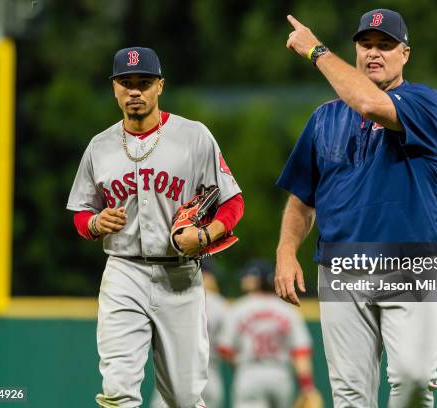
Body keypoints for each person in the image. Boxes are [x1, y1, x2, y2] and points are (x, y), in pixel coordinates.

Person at [275, 9, 437, 408]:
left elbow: (369, 103)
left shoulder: (424, 102)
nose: (374, 53)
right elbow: (302, 196)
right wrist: (286, 251)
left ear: (405, 54)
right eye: (366, 44)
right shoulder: (325, 118)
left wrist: (316, 50)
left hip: (410, 263)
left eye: (385, 45)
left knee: (415, 379)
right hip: (340, 269)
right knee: (351, 397)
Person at [66, 46, 244, 407]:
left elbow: (232, 202)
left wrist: (207, 234)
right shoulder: (99, 147)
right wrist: (97, 223)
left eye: (143, 83)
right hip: (123, 271)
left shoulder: (194, 136)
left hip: (179, 276)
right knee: (118, 388)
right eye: (126, 83)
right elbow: (80, 215)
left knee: (183, 395)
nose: (135, 91)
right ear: (114, 88)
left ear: (160, 85)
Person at [217, 259, 319, 408]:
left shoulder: (239, 308)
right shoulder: (288, 310)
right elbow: (301, 352)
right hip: (281, 375)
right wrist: (307, 386)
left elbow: (224, 349)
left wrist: (240, 363)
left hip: (250, 372)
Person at [149, 258, 228, 408]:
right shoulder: (220, 304)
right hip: (209, 374)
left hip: (173, 374)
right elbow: (225, 347)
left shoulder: (167, 296)